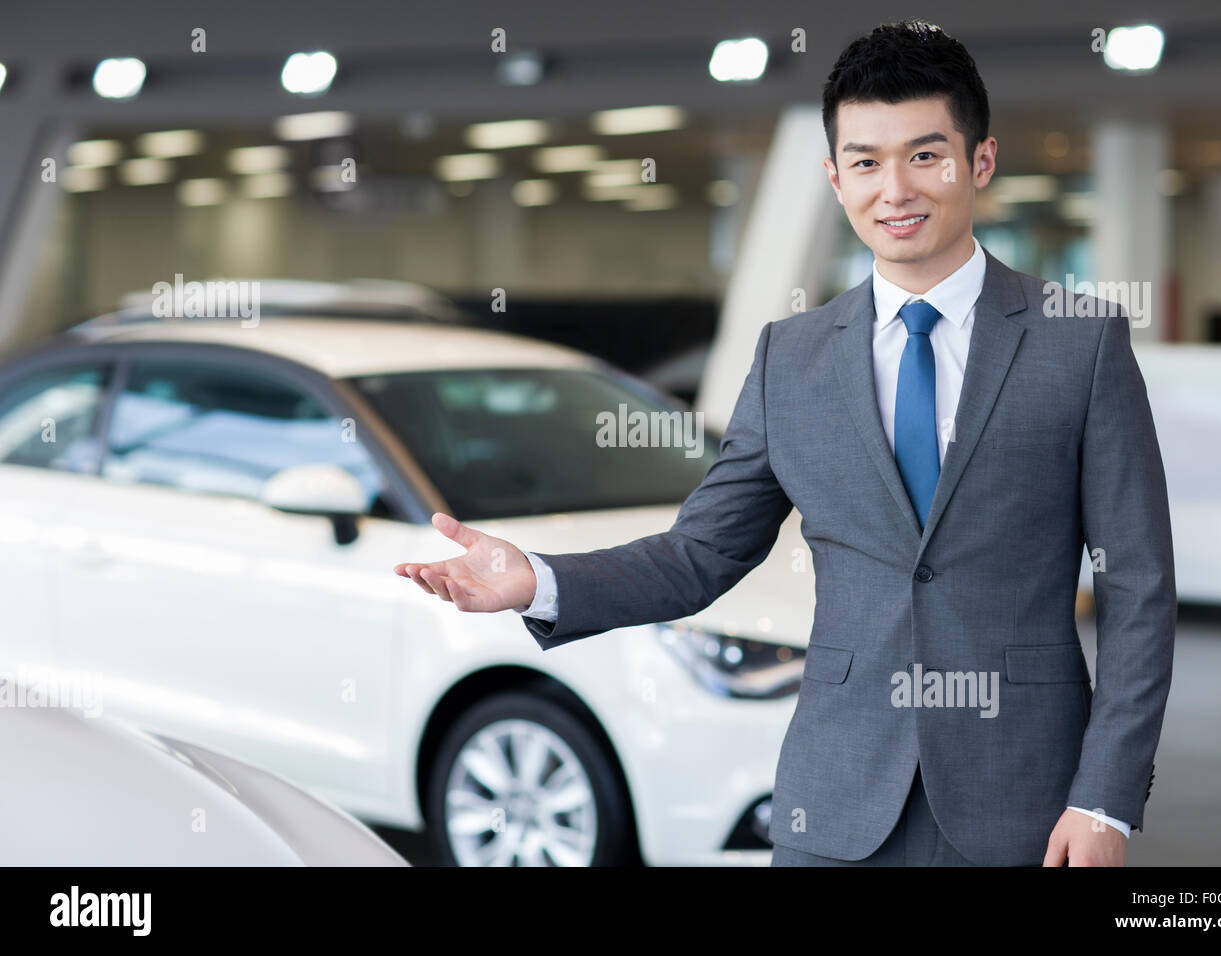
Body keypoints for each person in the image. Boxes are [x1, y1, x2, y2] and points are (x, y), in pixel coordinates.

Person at [395, 19, 1175, 867]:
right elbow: (701, 554)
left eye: (925, 155)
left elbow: (1138, 588)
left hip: (1026, 800)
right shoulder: (791, 358)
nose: (896, 188)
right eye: (867, 162)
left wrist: (1104, 798)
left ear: (979, 162)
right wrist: (538, 579)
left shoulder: (1078, 343)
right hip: (833, 802)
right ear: (835, 178)